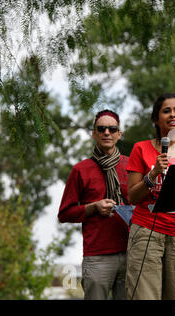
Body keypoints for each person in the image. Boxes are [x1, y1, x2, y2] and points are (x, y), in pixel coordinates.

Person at [125, 92, 175, 300]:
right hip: (146, 232)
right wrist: (152, 175)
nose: (172, 115)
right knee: (144, 296)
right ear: (155, 118)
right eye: (166, 110)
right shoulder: (140, 149)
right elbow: (132, 197)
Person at [58, 109, 129, 300]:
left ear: (119, 134)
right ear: (94, 133)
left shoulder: (131, 166)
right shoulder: (80, 170)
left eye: (112, 129)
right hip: (98, 256)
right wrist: (93, 207)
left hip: (132, 253)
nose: (107, 132)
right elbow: (64, 213)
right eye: (102, 128)